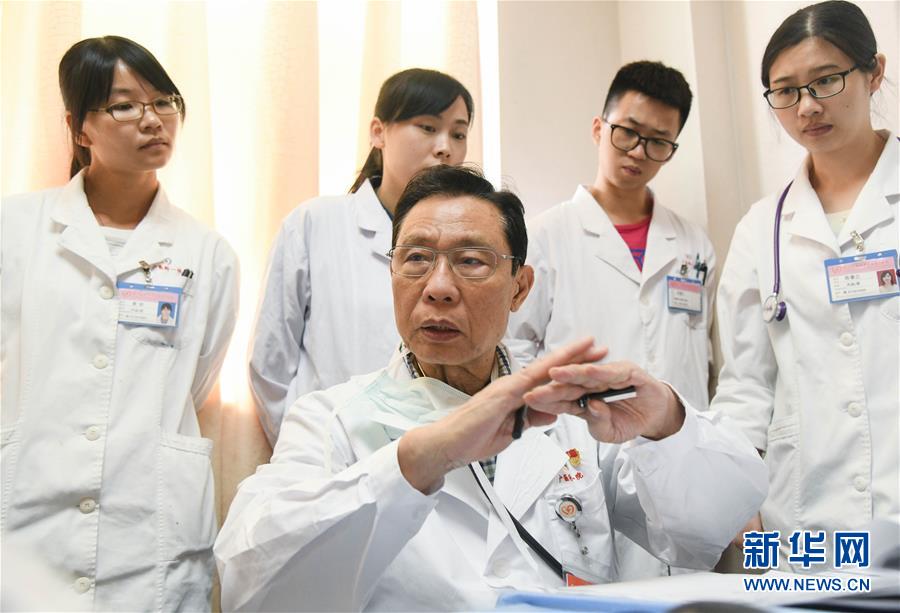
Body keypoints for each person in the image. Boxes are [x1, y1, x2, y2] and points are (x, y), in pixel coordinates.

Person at [214, 165, 767, 611]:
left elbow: (708, 528)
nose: (438, 287)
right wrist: (417, 460)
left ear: (520, 288)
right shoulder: (330, 420)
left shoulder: (575, 417)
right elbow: (255, 580)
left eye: (471, 261)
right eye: (416, 259)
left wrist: (666, 420)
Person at [1, 36, 239, 610]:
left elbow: (195, 379)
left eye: (164, 101)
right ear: (79, 128)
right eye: (125, 105)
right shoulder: (14, 230)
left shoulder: (207, 253)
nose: (153, 120)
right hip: (27, 514)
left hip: (146, 529)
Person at [506, 60, 716, 579]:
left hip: (680, 458)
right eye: (628, 133)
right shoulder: (545, 235)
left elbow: (700, 363)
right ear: (599, 128)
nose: (639, 152)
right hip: (578, 462)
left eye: (658, 142)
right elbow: (514, 352)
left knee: (687, 594)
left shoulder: (693, 244)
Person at [714, 0, 898, 566]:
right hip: (804, 523)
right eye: (785, 91)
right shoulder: (761, 228)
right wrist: (733, 489)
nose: (807, 106)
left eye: (826, 80)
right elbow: (746, 385)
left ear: (874, 72)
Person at [249, 68, 473, 446]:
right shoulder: (315, 223)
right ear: (378, 132)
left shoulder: (473, 241)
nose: (445, 147)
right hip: (328, 451)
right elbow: (269, 363)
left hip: (437, 455)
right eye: (428, 127)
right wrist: (305, 447)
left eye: (458, 134)